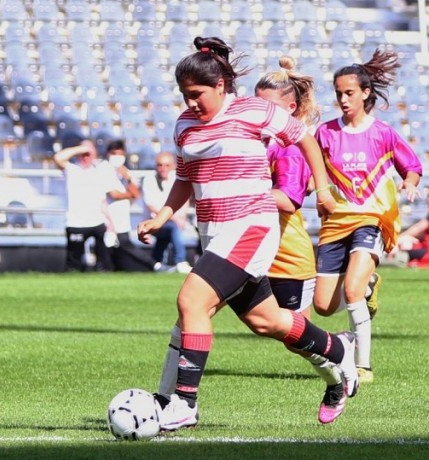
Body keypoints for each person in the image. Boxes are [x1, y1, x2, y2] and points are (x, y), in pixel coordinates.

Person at [137, 36, 358, 431]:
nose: (190, 102)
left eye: (197, 93)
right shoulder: (185, 125)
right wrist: (163, 215)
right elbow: (185, 178)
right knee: (268, 321)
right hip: (214, 233)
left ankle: (180, 402)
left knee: (191, 302)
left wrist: (323, 191)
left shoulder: (253, 110)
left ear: (220, 85)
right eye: (185, 94)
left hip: (251, 226)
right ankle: (337, 349)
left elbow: (305, 140)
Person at [311, 50, 423, 386]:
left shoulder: (382, 133)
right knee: (323, 306)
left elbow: (412, 166)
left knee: (352, 291)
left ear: (365, 93)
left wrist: (410, 182)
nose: (343, 100)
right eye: (339, 94)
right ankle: (369, 285)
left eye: (349, 93)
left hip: (372, 218)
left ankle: (363, 366)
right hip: (336, 222)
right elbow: (313, 173)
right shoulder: (325, 133)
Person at [53, 135, 114, 272]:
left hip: (98, 222)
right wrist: (80, 148)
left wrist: (111, 223)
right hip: (76, 223)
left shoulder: (99, 172)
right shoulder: (72, 169)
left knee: (104, 264)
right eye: (83, 154)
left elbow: (102, 201)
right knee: (73, 264)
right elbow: (58, 158)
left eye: (88, 153)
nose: (86, 156)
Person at [103, 139, 160, 272]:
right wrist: (129, 194)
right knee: (121, 244)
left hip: (122, 216)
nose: (117, 157)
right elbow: (114, 194)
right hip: (108, 216)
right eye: (114, 153)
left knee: (120, 245)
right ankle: (153, 265)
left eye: (120, 154)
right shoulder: (104, 169)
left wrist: (128, 179)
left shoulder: (125, 171)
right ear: (108, 154)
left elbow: (136, 194)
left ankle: (114, 270)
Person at [140, 151, 193, 273]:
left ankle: (155, 263)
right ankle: (180, 260)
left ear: (173, 166)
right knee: (173, 227)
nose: (163, 168)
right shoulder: (149, 180)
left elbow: (184, 199)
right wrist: (174, 218)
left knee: (168, 233)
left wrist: (182, 217)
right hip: (152, 222)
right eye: (160, 165)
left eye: (167, 165)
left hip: (170, 221)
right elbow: (151, 206)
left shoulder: (177, 179)